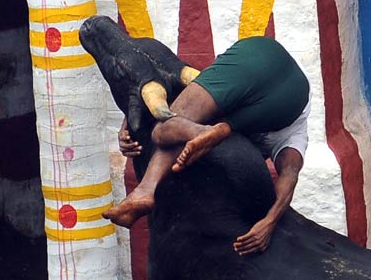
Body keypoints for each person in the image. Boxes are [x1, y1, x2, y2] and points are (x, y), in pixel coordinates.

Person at [103, 36, 311, 256]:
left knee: (164, 130)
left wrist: (130, 124)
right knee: (167, 130)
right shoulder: (294, 133)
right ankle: (208, 134)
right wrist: (269, 222)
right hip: (280, 85)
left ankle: (154, 181)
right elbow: (290, 174)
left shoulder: (291, 127)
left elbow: (166, 88)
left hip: (263, 56)